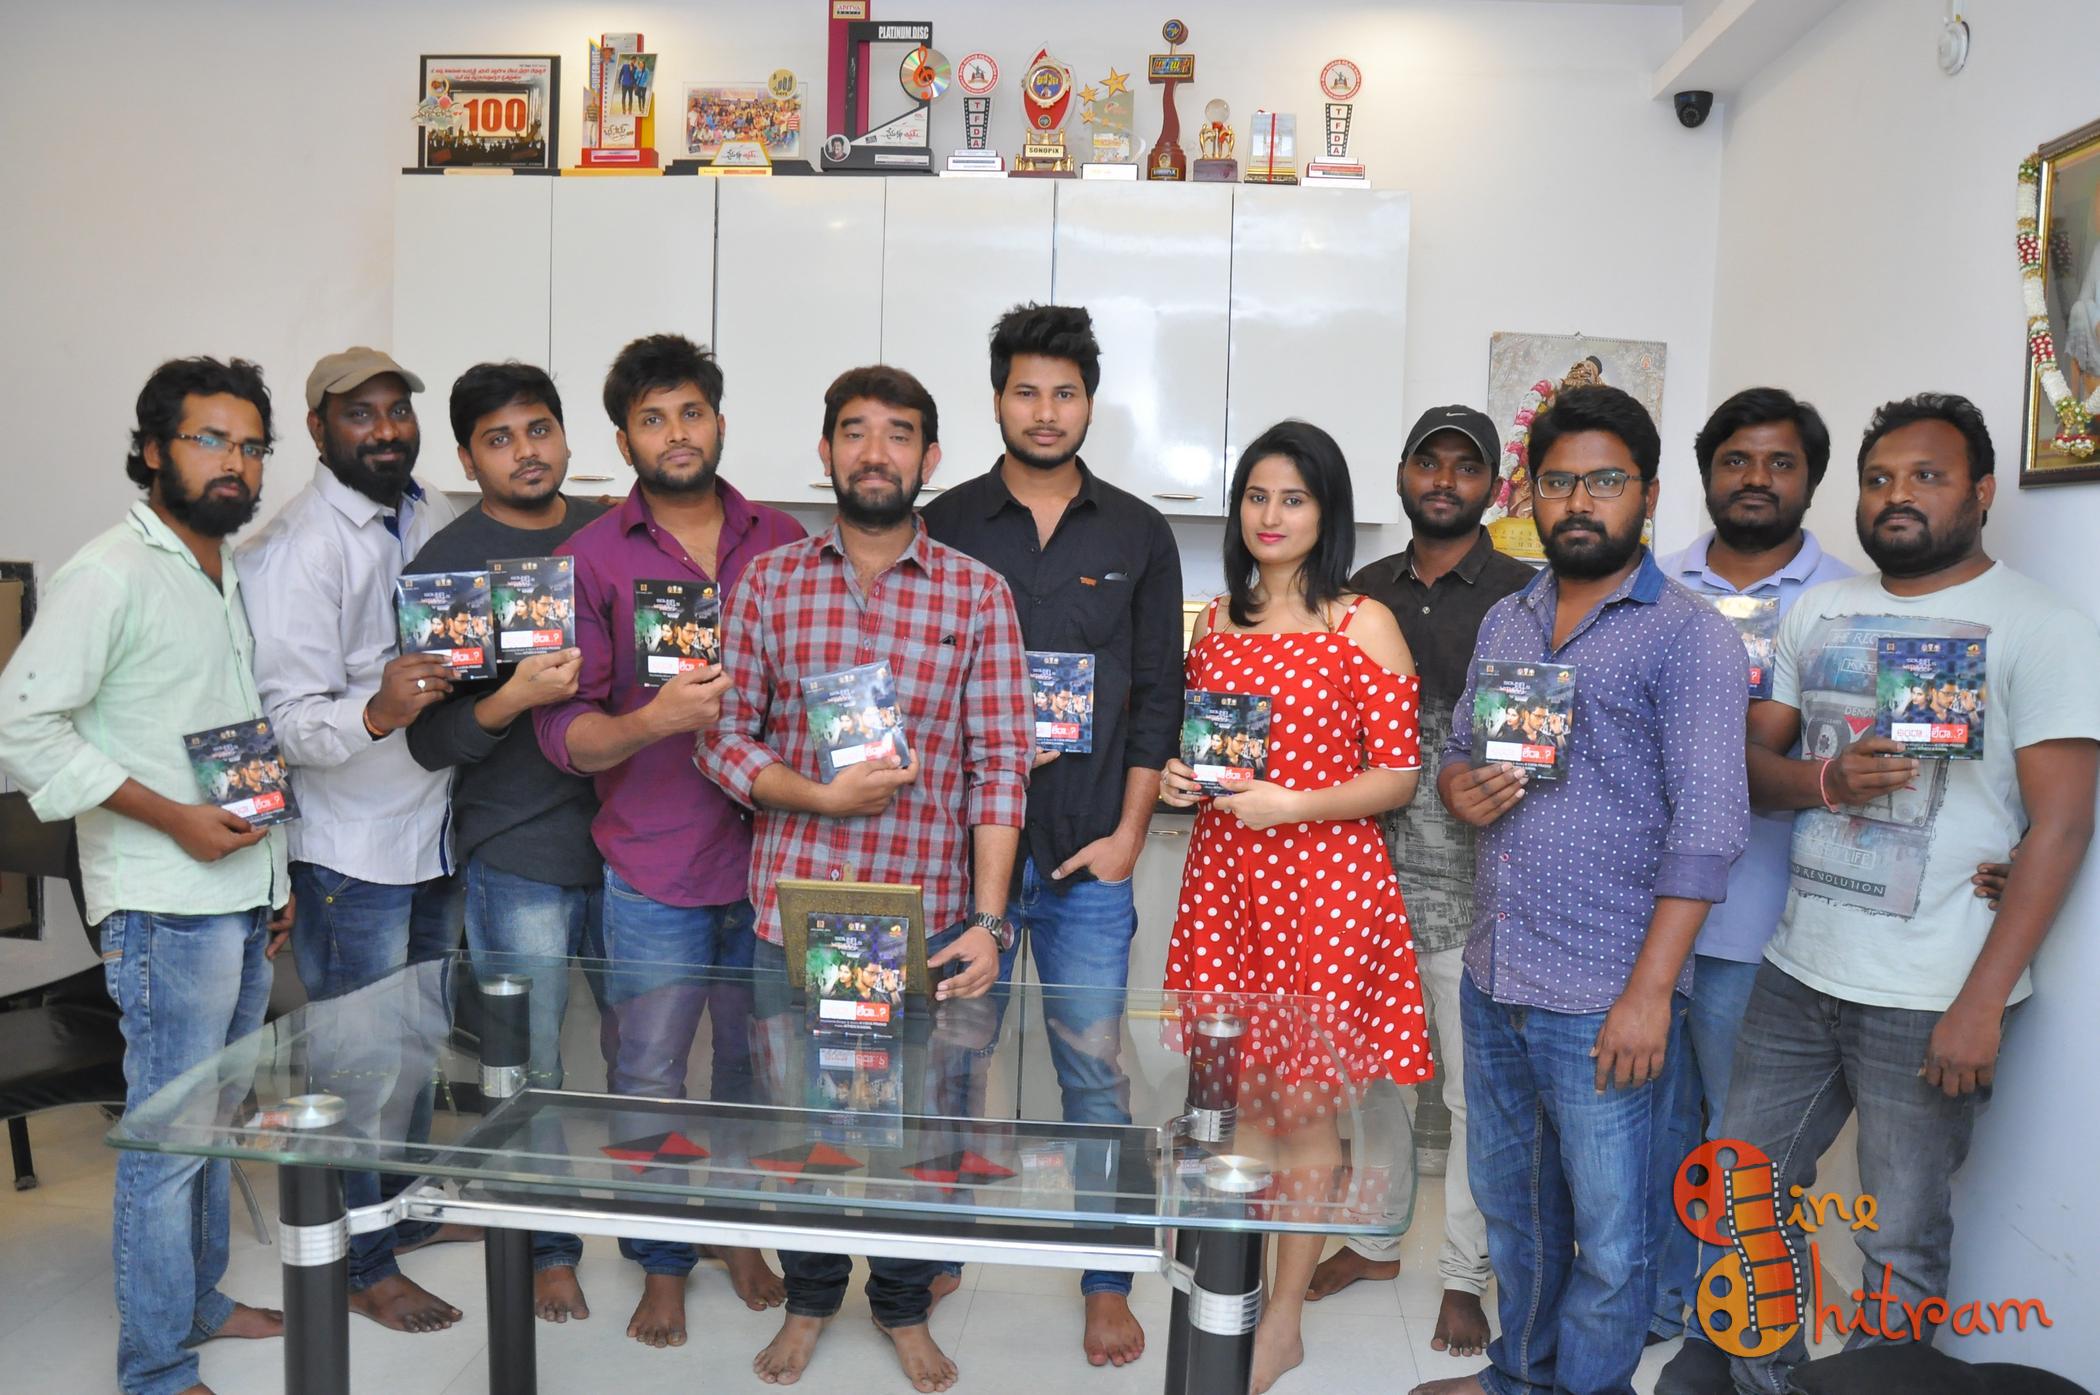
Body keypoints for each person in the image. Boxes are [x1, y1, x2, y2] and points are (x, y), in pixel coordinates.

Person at [1718, 394, 2100, 1395]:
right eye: (1879, 478)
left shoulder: (2043, 626)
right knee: (1742, 1200)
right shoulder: (1819, 612)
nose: (1897, 495)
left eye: (1927, 476)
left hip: (1935, 990)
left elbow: (2062, 826)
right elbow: (1751, 769)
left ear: (1981, 491)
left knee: (1901, 1241)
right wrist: (1826, 779)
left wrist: (1982, 1002)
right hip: (1798, 969)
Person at [696, 364, 1031, 1394]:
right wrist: (818, 795)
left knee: (917, 1131)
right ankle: (808, 1298)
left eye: (898, 434)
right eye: (854, 431)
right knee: (802, 1127)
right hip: (794, 911)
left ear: (931, 458)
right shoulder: (770, 583)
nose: (874, 452)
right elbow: (722, 738)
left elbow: (1001, 765)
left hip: (919, 920)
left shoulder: (978, 593)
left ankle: (899, 1305)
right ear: (826, 451)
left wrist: (989, 921)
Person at [1413, 385, 1750, 1395]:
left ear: (1648, 492)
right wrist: (1459, 788)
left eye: (1604, 480)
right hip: (1496, 973)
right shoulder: (1508, 618)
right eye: (1558, 481)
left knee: (1612, 1240)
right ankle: (1521, 1376)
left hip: (1608, 995)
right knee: (1517, 1214)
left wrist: (1650, 994)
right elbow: (1461, 751)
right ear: (1530, 494)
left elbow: (1709, 833)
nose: (1579, 501)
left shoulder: (1688, 635)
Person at [0, 358, 291, 1395]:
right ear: (154, 449)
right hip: (165, 907)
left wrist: (273, 879)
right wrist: (173, 819)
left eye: (250, 445)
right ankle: (156, 1370)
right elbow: (20, 726)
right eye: (211, 439)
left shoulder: (219, 566)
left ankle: (198, 1301)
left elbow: (226, 730)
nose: (234, 462)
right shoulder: (110, 571)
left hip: (236, 894)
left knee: (211, 1125)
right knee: (169, 1145)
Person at [921, 303, 1183, 1369]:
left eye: (1064, 393)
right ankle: (937, 1246)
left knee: (1095, 1071)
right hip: (962, 858)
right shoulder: (944, 521)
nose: (1045, 411)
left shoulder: (1138, 533)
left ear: (1090, 403)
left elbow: (1158, 697)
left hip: (1087, 857)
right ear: (996, 400)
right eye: (1026, 391)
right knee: (951, 1064)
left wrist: (1129, 835)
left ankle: (1106, 1275)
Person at [533, 334, 802, 1346]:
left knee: (753, 1071)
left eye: (691, 412)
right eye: (652, 419)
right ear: (624, 440)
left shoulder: (783, 539)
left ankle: (734, 1231)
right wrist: (655, 721)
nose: (675, 433)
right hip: (653, 861)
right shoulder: (589, 558)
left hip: (775, 860)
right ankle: (660, 1257)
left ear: (720, 422)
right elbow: (563, 736)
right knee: (648, 1071)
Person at [1159, 419, 1431, 1394]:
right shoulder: (1213, 624)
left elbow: (1399, 776)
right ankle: (1234, 1297)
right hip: (1228, 883)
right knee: (1239, 1102)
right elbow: (1213, 754)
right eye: (1257, 496)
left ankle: (1282, 1319)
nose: (1271, 515)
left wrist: (1296, 804)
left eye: (1295, 498)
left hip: (1324, 887)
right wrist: (1183, 781)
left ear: (1327, 513)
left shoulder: (1362, 622)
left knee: (1304, 1107)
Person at [236, 347, 468, 1333]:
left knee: (413, 1048)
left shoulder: (428, 511)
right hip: (350, 852)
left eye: (396, 410)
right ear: (319, 428)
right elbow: (282, 721)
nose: (385, 429)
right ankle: (361, 1264)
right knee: (356, 1069)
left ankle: (402, 1215)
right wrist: (375, 711)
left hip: (435, 833)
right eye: (360, 414)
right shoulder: (299, 547)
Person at [1646, 388, 1859, 1374]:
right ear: (1707, 474)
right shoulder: (1653, 580)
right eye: (1737, 460)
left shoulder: (1844, 600)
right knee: (1655, 1131)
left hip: (1762, 925)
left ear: (1811, 479)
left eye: (1780, 462)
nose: (1757, 479)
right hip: (1648, 915)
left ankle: (1728, 1336)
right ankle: (1667, 1307)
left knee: (1743, 1158)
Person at [1320, 406, 1534, 1357]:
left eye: (1465, 466)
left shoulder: (1527, 597)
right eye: (1428, 462)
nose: (1444, 480)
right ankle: (1373, 1240)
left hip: (1478, 883)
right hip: (1361, 874)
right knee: (1366, 1077)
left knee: (1473, 1092)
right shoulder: (1359, 592)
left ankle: (1462, 1274)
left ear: (1493, 484)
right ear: (1403, 472)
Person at [400, 361, 605, 1324]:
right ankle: (546, 1247)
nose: (525, 451)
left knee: (651, 1061)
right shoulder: (447, 566)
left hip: (640, 846)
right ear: (466, 456)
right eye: (498, 438)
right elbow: (428, 740)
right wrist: (512, 699)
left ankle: (673, 1241)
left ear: (565, 435)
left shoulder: (611, 535)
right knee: (529, 1069)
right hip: (518, 846)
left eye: (538, 429)